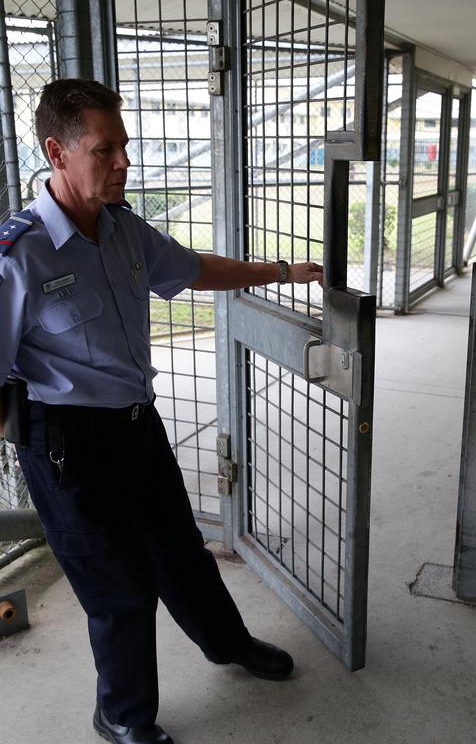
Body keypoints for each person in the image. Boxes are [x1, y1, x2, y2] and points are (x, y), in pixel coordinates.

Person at [0, 79, 323, 744]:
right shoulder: (18, 255)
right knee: (118, 588)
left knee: (181, 552)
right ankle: (122, 713)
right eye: (106, 149)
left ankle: (227, 644)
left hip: (136, 428)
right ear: (57, 152)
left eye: (126, 146)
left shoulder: (121, 227)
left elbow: (192, 268)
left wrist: (282, 271)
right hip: (66, 447)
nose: (123, 162)